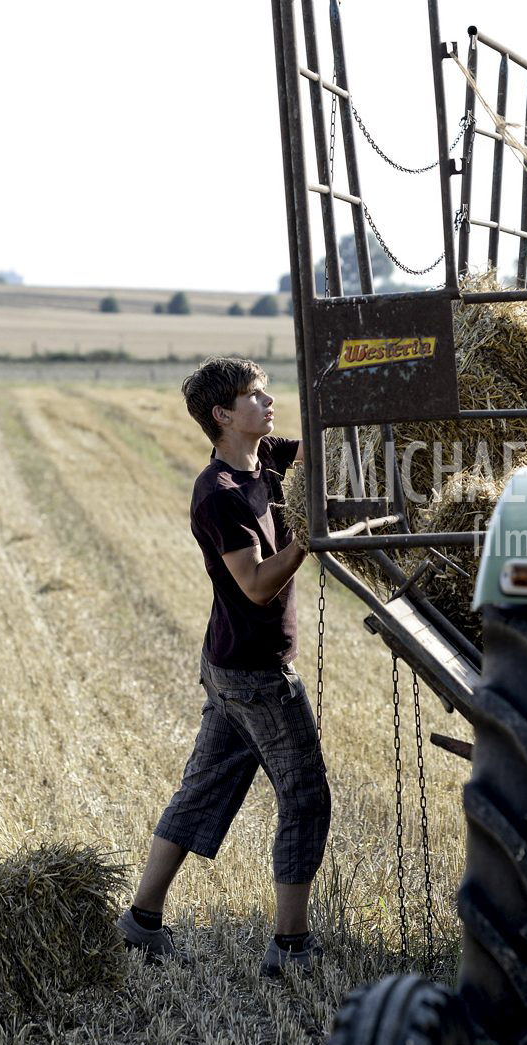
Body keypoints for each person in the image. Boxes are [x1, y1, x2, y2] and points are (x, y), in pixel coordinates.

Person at [116, 356, 328, 978]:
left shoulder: (263, 463)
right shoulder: (221, 496)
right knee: (306, 796)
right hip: (256, 674)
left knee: (203, 789)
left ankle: (141, 921)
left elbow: (324, 445)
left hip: (228, 663)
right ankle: (291, 947)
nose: (268, 403)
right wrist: (308, 541)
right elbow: (258, 585)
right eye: (254, 397)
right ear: (223, 416)